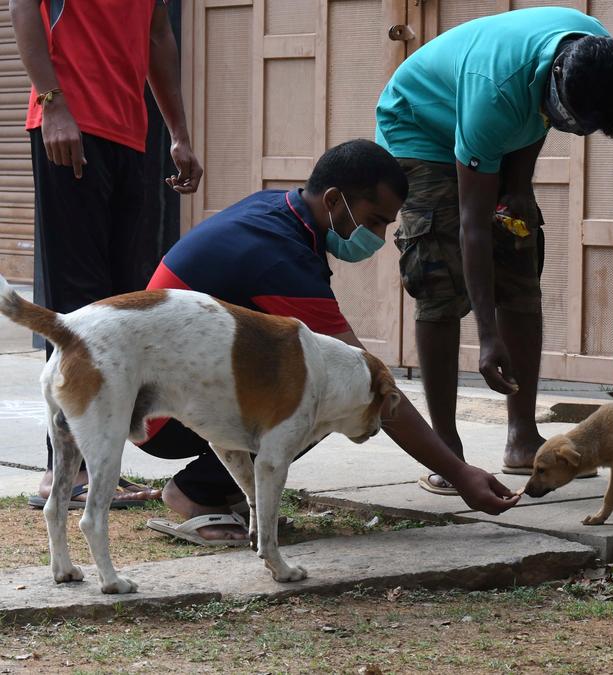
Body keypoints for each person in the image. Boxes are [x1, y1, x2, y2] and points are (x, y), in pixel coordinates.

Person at [138, 139, 516, 542]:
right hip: (157, 416)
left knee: (305, 373)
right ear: (334, 200)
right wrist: (460, 474)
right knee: (330, 395)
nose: (378, 236)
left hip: (158, 392)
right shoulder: (280, 257)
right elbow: (372, 383)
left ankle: (224, 490)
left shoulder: (276, 210)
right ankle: (199, 495)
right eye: (373, 221)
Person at [375, 6, 613, 493]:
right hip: (422, 127)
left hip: (496, 125)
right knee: (439, 274)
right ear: (558, 81)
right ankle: (446, 450)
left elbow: (538, 115)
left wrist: (520, 182)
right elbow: (472, 225)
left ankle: (523, 439)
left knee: (521, 265)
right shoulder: (494, 95)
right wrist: (486, 336)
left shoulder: (596, 52)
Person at [16, 0, 203, 509]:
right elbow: (21, 8)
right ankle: (63, 473)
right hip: (69, 124)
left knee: (117, 308)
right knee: (77, 307)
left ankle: (93, 466)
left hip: (129, 132)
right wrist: (52, 102)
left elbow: (159, 36)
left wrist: (178, 134)